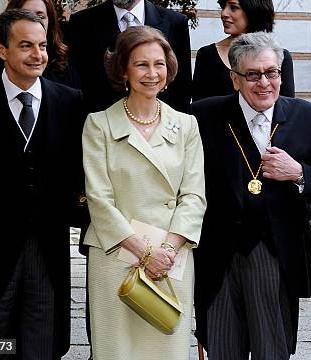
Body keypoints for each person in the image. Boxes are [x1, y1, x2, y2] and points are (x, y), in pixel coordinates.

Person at [0, 9, 85, 358]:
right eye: (25, 45)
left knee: (42, 343)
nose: (37, 54)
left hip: (48, 250)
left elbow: (76, 172)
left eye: (41, 45)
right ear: (0, 50)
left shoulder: (69, 102)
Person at [191, 31, 311, 359]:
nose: (264, 82)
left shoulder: (307, 118)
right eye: (252, 74)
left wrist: (298, 173)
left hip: (276, 256)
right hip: (217, 256)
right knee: (222, 348)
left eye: (272, 73)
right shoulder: (202, 116)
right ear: (235, 79)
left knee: (272, 350)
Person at [81, 26, 205, 360]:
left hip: (171, 258)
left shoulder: (187, 126)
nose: (152, 73)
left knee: (168, 350)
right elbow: (99, 198)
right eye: (141, 65)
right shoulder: (99, 125)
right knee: (116, 351)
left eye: (159, 64)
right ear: (122, 69)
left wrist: (164, 251)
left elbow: (194, 197)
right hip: (116, 255)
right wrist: (144, 251)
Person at [66, 0, 192, 113]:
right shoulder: (82, 23)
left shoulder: (175, 23)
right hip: (102, 130)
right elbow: (77, 85)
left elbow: (182, 90)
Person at [0, 0, 78, 89]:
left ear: (49, 20)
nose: (33, 21)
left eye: (40, 16)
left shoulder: (62, 59)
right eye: (25, 14)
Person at [192, 0, 295, 101]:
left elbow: (287, 108)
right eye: (223, 7)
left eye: (233, 7)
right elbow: (199, 108)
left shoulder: (281, 56)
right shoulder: (207, 55)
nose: (224, 13)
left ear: (253, 10)